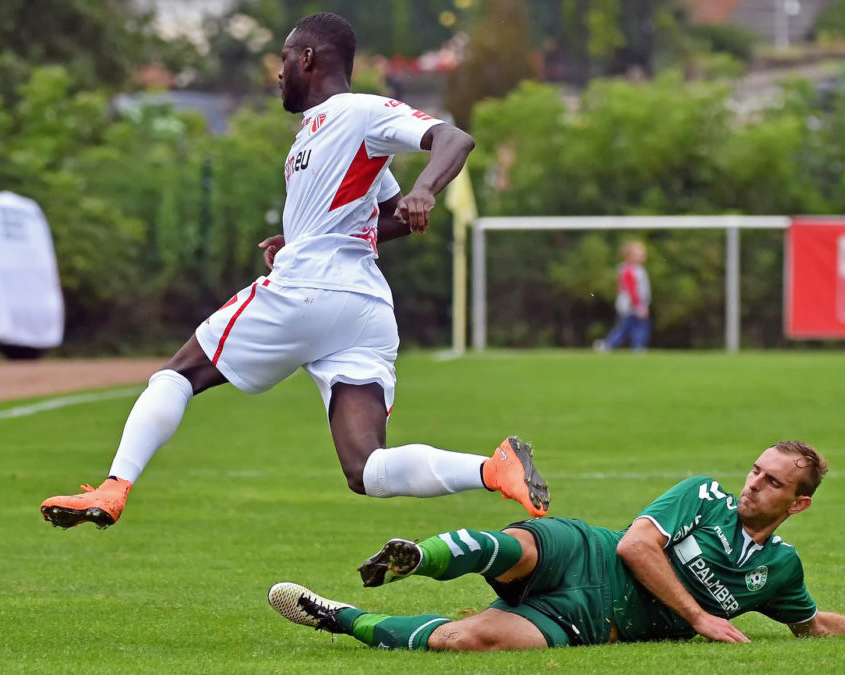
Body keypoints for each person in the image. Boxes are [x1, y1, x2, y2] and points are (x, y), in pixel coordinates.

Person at [39, 13, 549, 530]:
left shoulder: (359, 110)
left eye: (283, 60)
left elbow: (452, 138)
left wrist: (425, 190)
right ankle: (491, 469)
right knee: (366, 468)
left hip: (307, 290)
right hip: (363, 312)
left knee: (178, 374)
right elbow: (384, 219)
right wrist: (301, 235)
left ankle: (114, 486)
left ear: (306, 57)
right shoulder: (320, 134)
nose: (278, 74)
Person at [269, 441, 845, 651]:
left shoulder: (778, 567)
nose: (752, 484)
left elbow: (813, 624)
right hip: (588, 553)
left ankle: (337, 614)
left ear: (799, 504)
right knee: (514, 545)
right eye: (756, 470)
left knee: (463, 641)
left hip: (593, 620)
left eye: (772, 483)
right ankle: (420, 554)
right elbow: (636, 547)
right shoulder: (701, 494)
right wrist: (702, 615)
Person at [595, 240, 650, 352]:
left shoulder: (638, 269)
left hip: (636, 305)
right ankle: (610, 344)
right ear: (630, 256)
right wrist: (638, 305)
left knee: (632, 327)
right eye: (640, 254)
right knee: (630, 327)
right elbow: (632, 290)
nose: (643, 257)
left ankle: (636, 346)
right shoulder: (629, 270)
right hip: (631, 306)